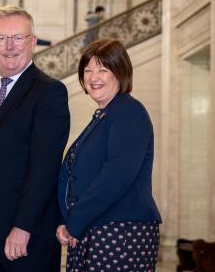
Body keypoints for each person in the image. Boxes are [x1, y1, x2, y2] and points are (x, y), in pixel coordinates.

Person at [0, 5, 70, 271]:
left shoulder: (50, 92)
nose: (9, 46)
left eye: (18, 37)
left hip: (25, 237)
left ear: (33, 42)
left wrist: (23, 226)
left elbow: (44, 169)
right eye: (1, 38)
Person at [56, 38, 162, 271]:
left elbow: (115, 177)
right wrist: (67, 220)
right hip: (96, 229)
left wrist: (75, 221)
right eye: (88, 70)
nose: (93, 77)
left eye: (103, 69)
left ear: (120, 72)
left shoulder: (129, 112)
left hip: (120, 234)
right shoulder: (105, 115)